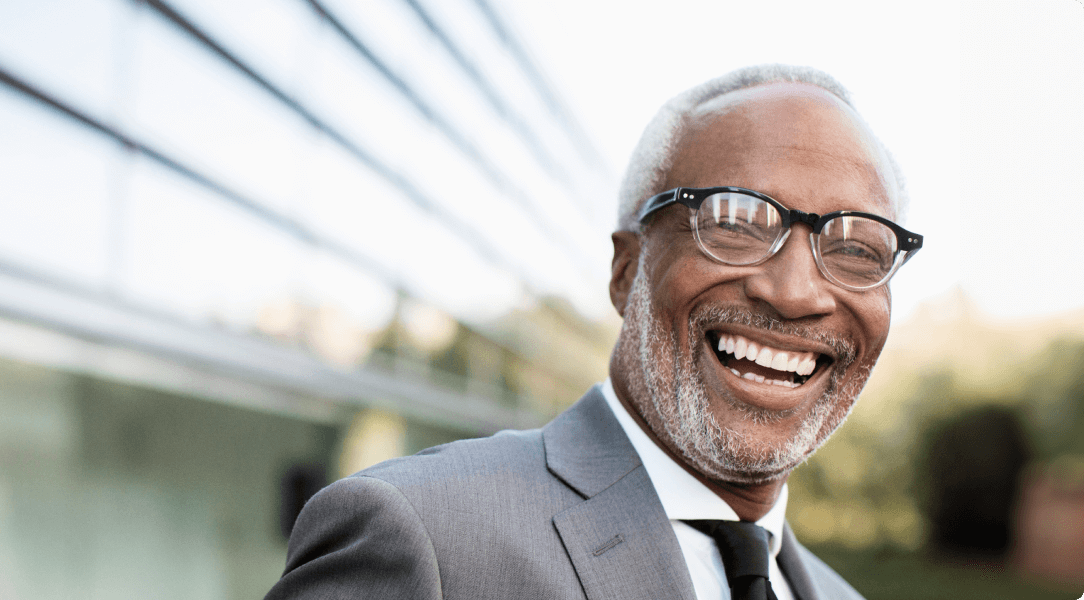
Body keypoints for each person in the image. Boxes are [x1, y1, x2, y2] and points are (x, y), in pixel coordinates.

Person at [264, 64, 922, 600]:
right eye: (735, 222)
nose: (797, 291)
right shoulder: (423, 536)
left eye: (858, 248)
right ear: (627, 271)